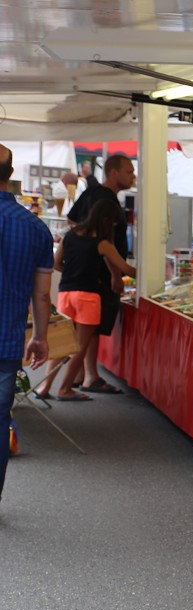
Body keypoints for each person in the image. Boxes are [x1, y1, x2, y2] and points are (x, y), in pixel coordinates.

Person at [36, 200, 136, 401]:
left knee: (62, 343)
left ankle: (43, 387)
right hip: (88, 297)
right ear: (107, 220)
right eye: (115, 224)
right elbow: (127, 270)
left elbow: (56, 263)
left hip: (66, 294)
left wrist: (72, 273)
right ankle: (64, 389)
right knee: (79, 347)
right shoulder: (102, 243)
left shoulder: (70, 235)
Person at [0, 144, 54, 503]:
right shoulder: (35, 229)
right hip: (6, 342)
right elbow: (43, 296)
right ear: (11, 174)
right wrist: (41, 337)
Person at [62, 153, 135, 394]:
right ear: (113, 173)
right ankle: (89, 376)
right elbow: (104, 241)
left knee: (81, 330)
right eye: (128, 171)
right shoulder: (106, 201)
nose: (133, 176)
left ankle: (81, 375)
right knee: (89, 327)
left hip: (81, 277)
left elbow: (72, 222)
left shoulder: (91, 193)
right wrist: (114, 273)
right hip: (100, 275)